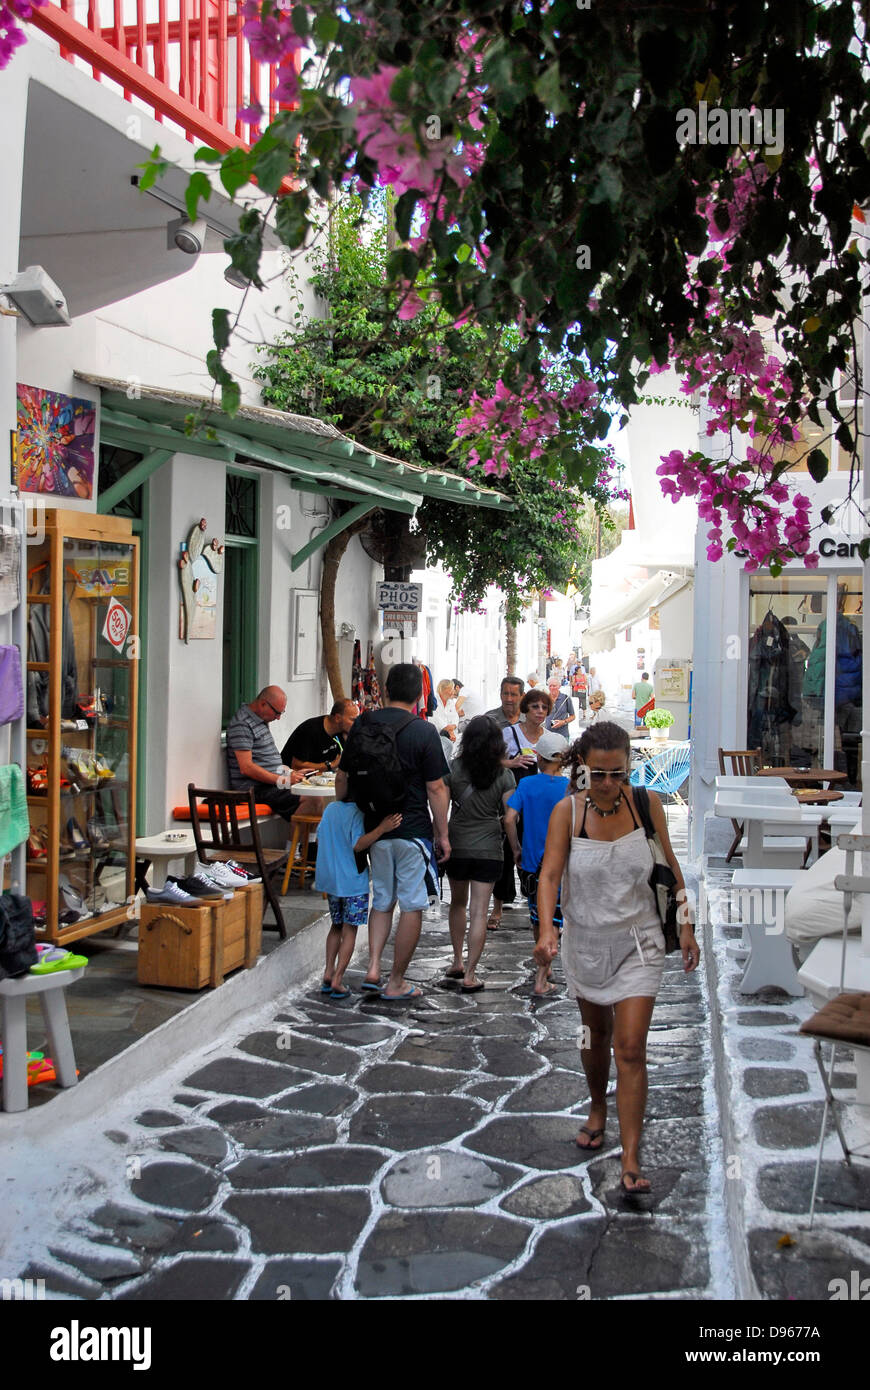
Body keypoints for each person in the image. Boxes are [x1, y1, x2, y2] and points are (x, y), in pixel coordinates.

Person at [534, 721, 699, 1194]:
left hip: (640, 942)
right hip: (586, 943)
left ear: (630, 768)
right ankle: (597, 1106)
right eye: (599, 774)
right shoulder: (568, 812)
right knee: (595, 1035)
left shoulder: (648, 805)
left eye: (619, 774)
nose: (609, 784)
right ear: (582, 768)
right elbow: (548, 877)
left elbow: (672, 869)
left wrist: (686, 926)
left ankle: (630, 1156)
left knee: (629, 1047)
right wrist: (548, 930)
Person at [337, 662, 450, 1000]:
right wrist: (442, 834)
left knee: (382, 900)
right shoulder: (424, 731)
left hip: (375, 828)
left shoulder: (362, 725)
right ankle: (396, 980)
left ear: (385, 690)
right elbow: (437, 789)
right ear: (419, 694)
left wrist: (346, 813)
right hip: (412, 829)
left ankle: (373, 966)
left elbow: (343, 779)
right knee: (412, 904)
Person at [444, 716, 517, 992]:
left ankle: (456, 961)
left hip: (457, 844)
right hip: (488, 848)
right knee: (479, 912)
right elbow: (510, 818)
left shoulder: (454, 768)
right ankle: (471, 974)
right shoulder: (504, 775)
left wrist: (440, 835)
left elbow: (440, 803)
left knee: (458, 904)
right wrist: (516, 847)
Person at [314, 794, 402, 999]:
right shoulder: (358, 813)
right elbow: (358, 844)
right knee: (349, 929)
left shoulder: (331, 808)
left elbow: (319, 837)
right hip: (352, 881)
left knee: (335, 926)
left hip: (331, 879)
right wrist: (382, 828)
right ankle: (338, 978)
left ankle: (328, 973)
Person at [503, 730, 570, 996]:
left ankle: (545, 965)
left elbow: (509, 819)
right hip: (563, 864)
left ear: (539, 758)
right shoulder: (570, 789)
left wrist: (516, 848)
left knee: (538, 917)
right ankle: (542, 977)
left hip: (532, 863)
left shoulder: (527, 785)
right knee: (553, 919)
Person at [485, 676, 536, 929]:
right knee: (503, 846)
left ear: (522, 696)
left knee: (529, 841)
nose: (508, 699)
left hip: (528, 794)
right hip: (501, 792)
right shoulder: (490, 721)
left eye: (513, 694)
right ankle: (498, 905)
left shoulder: (531, 721)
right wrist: (510, 763)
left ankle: (532, 897)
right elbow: (481, 759)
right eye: (505, 693)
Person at [225, 685, 306, 819]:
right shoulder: (242, 724)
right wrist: (284, 779)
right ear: (263, 704)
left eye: (281, 713)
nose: (278, 718)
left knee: (313, 793)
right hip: (256, 789)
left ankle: (307, 839)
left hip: (271, 784)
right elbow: (247, 768)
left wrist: (291, 774)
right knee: (309, 798)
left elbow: (267, 761)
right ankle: (298, 840)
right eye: (277, 713)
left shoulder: (260, 719)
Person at [281, 698, 360, 773]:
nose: (357, 724)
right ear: (338, 718)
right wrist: (331, 765)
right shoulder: (310, 730)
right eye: (353, 720)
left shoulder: (343, 731)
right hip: (287, 779)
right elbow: (296, 766)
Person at [431, 678, 460, 754]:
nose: (453, 692)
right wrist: (449, 730)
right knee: (448, 745)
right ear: (442, 689)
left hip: (452, 734)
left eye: (453, 689)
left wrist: (453, 727)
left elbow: (455, 717)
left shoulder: (451, 702)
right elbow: (436, 719)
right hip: (438, 734)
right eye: (451, 689)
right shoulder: (434, 701)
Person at [544, 675, 575, 740]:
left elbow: (573, 716)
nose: (552, 688)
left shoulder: (566, 698)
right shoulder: (545, 699)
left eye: (554, 686)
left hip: (563, 735)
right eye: (550, 686)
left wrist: (563, 722)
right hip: (548, 734)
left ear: (559, 686)